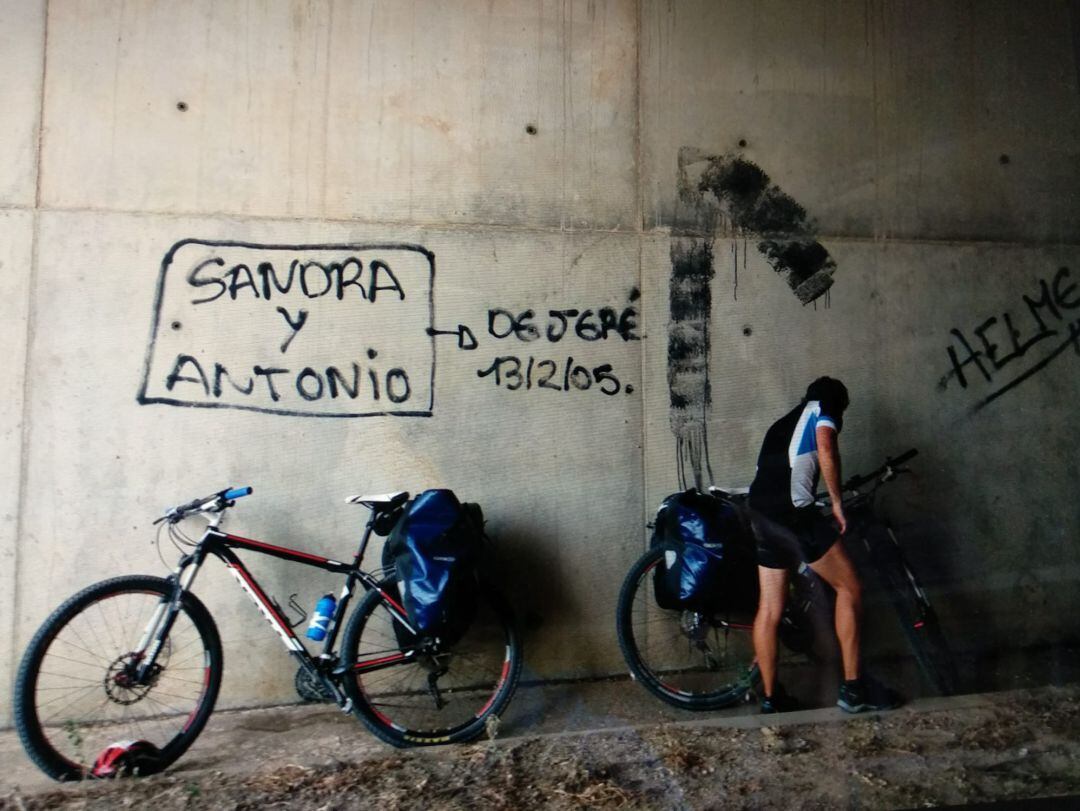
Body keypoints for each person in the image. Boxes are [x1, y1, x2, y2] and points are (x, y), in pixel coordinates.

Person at [748, 376, 901, 714]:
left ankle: (772, 700)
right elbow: (826, 443)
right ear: (838, 401)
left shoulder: (782, 423)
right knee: (850, 587)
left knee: (770, 608)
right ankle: (853, 690)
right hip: (792, 515)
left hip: (760, 515)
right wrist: (835, 502)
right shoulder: (825, 406)